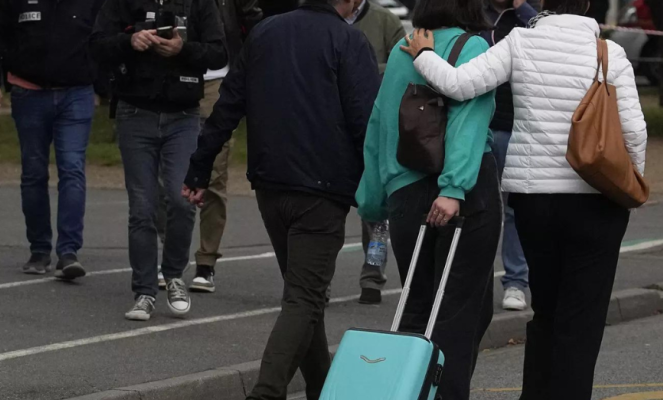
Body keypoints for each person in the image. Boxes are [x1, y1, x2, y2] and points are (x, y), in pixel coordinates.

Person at [400, 0, 648, 397]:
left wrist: (425, 56)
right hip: (597, 201)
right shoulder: (609, 52)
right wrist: (630, 183)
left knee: (546, 309)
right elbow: (634, 132)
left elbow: (460, 84)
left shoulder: (520, 42)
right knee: (581, 319)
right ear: (586, 6)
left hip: (536, 201)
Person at [182, 0, 379, 398]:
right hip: (323, 188)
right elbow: (366, 121)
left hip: (271, 182)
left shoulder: (266, 32)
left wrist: (199, 168)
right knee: (304, 299)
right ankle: (266, 391)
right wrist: (376, 185)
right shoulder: (349, 40)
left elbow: (228, 105)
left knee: (305, 300)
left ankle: (322, 389)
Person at [355, 0, 499, 398]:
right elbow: (469, 121)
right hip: (461, 192)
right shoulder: (473, 47)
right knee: (460, 311)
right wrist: (454, 187)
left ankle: (407, 391)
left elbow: (380, 122)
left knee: (417, 305)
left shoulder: (408, 46)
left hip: (404, 192)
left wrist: (372, 199)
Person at [91, 0, 228, 321]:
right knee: (142, 207)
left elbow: (219, 53)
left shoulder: (200, 4)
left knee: (182, 201)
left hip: (183, 115)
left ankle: (174, 275)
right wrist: (130, 41)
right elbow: (96, 45)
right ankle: (144, 291)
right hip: (134, 113)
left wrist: (182, 49)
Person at [0, 0, 106, 279]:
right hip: (28, 91)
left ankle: (69, 252)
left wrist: (103, 85)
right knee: (33, 173)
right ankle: (39, 249)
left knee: (72, 168)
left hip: (77, 92)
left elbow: (105, 33)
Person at [186, 0, 263, 293]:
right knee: (164, 172)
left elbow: (254, 20)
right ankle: (167, 254)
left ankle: (206, 261)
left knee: (214, 174)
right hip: (166, 78)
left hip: (217, 78)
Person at [347, 0, 406, 304]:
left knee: (374, 208)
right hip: (333, 129)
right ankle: (315, 280)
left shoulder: (385, 21)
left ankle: (372, 276)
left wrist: (362, 68)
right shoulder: (325, 18)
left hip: (374, 127)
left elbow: (404, 65)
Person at [481, 0, 539, 311]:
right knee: (480, 208)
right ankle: (475, 282)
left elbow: (545, 35)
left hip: (520, 125)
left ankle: (516, 282)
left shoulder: (532, 16)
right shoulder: (482, 16)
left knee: (515, 209)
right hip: (486, 126)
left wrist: (522, 6)